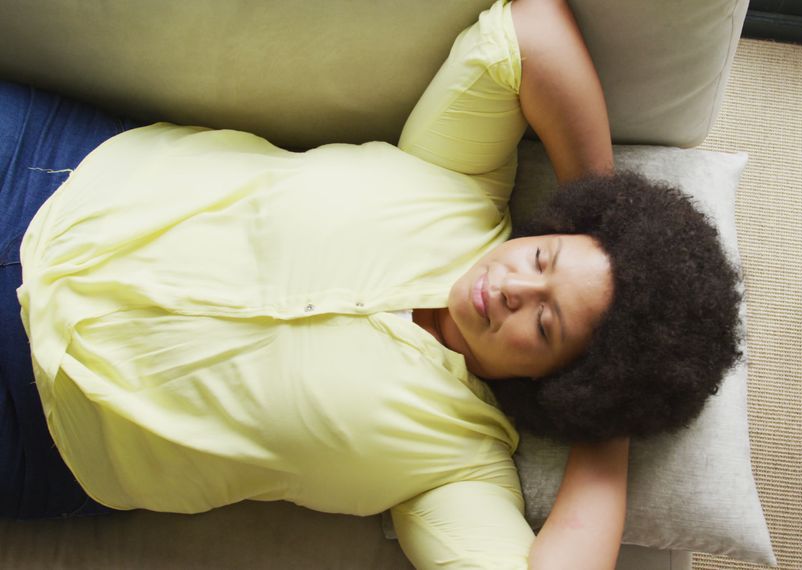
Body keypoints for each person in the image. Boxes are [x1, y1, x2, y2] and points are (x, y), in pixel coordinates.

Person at [0, 0, 742, 568]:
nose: (517, 286)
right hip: (48, 174)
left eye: (546, 326)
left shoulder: (458, 469)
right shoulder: (458, 176)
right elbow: (530, 24)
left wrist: (605, 427)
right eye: (544, 259)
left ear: (563, 385)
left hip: (41, 418)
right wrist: (605, 210)